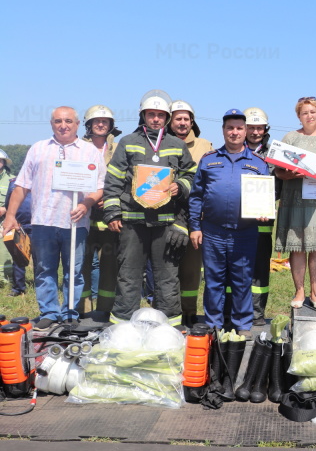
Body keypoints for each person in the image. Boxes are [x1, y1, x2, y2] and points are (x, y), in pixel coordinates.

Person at [4, 107, 105, 330]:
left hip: (75, 222)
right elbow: (22, 186)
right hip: (43, 222)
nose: (63, 125)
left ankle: (70, 312)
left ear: (77, 124)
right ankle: (49, 311)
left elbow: (100, 187)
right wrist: (10, 215)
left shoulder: (89, 151)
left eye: (68, 121)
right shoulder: (38, 149)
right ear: (51, 124)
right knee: (44, 269)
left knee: (74, 271)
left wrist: (86, 203)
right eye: (58, 121)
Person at [103, 90, 196, 327]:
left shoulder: (177, 145)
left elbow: (192, 174)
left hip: (165, 223)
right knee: (129, 276)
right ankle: (123, 328)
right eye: (151, 114)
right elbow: (113, 179)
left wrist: (180, 186)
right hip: (132, 223)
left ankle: (169, 328)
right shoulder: (128, 142)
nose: (155, 119)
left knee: (167, 278)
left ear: (167, 117)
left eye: (160, 115)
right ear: (143, 116)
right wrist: (113, 212)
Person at [189, 109, 270, 337]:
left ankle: (242, 325)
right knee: (213, 280)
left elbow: (265, 195)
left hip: (244, 232)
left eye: (239, 128)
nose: (234, 132)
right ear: (223, 131)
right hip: (213, 231)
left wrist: (263, 211)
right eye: (230, 128)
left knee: (242, 280)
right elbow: (196, 196)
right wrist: (195, 227)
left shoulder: (258, 163)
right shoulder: (209, 160)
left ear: (246, 132)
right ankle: (214, 324)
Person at [274, 97, 316, 309]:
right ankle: (299, 291)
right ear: (298, 116)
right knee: (298, 247)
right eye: (304, 113)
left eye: (313, 112)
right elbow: (278, 171)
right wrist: (292, 174)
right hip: (296, 198)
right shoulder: (291, 138)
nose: (309, 116)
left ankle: (315, 293)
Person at [167, 100, 213, 326]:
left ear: (192, 122)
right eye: (178, 118)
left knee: (191, 269)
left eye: (186, 119)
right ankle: (167, 311)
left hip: (195, 214)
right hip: (166, 215)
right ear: (170, 121)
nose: (182, 123)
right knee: (166, 268)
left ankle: (188, 313)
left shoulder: (205, 146)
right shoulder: (160, 143)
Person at [78, 105, 121, 321]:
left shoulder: (118, 148)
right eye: (97, 121)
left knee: (109, 266)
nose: (101, 124)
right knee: (82, 265)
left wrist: (111, 199)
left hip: (109, 218)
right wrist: (90, 198)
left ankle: (105, 309)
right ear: (89, 125)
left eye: (105, 121)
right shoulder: (77, 148)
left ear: (111, 125)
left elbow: (126, 177)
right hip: (84, 216)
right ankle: (83, 309)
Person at [243, 106, 272, 326]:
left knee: (260, 270)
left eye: (258, 128)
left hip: (263, 222)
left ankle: (256, 312)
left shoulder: (274, 154)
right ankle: (232, 309)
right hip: (236, 221)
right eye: (251, 127)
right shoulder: (233, 151)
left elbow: (278, 184)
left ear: (265, 129)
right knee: (236, 266)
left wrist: (267, 204)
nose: (254, 132)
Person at [4, 178, 31, 297]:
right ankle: (18, 288)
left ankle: (41, 286)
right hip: (19, 224)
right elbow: (8, 203)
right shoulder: (13, 183)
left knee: (40, 258)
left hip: (38, 224)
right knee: (18, 256)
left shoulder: (42, 180)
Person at [0, 149, 16, 286]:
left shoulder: (12, 180)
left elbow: (17, 200)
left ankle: (5, 280)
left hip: (5, 220)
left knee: (4, 251)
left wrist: (5, 209)